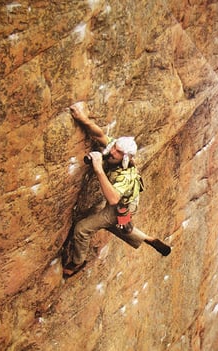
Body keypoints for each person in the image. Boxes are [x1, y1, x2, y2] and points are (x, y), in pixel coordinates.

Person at [63, 103, 171, 277]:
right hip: (126, 203)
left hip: (121, 205)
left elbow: (113, 200)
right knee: (117, 224)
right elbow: (99, 134)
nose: (112, 151)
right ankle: (147, 239)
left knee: (82, 228)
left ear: (125, 157)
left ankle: (77, 263)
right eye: (114, 147)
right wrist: (82, 118)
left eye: (117, 151)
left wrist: (98, 168)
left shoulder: (125, 176)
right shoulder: (116, 150)